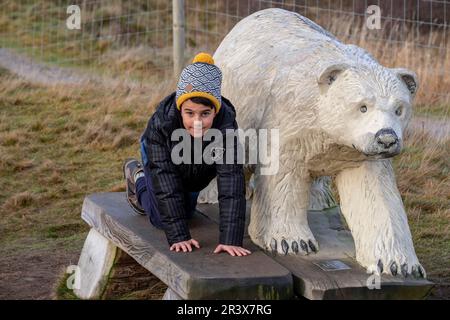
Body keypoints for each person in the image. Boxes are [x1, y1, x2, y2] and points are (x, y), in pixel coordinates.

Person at [123, 53, 251, 257]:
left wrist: (230, 240)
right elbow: (166, 182)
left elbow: (231, 181)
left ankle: (171, 197)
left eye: (205, 114)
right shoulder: (161, 126)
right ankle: (138, 178)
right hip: (164, 163)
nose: (197, 121)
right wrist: (179, 236)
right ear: (179, 108)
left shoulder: (226, 128)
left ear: (215, 111)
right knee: (161, 219)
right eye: (190, 113)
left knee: (187, 214)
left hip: (194, 167)